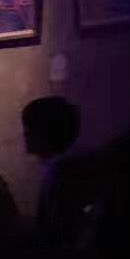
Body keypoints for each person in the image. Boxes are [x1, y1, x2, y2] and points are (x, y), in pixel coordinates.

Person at [21, 95, 96, 248]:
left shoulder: (62, 169)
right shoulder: (73, 163)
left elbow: (58, 232)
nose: (25, 135)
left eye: (30, 129)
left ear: (47, 132)